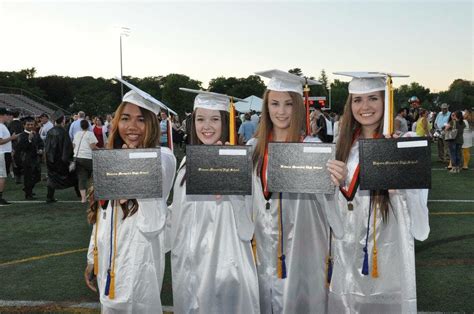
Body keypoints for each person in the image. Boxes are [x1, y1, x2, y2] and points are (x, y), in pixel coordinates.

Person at [329, 72, 430, 313]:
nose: (364, 107)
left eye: (373, 98)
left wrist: (403, 188)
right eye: (357, 99)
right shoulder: (340, 149)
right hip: (346, 254)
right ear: (349, 105)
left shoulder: (404, 144)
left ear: (385, 101)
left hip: (389, 254)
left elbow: (421, 229)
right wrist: (335, 186)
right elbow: (332, 219)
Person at [250, 69, 346, 313]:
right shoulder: (253, 150)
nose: (281, 111)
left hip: (304, 246)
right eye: (274, 104)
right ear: (266, 107)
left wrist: (335, 184)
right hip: (263, 247)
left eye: (288, 104)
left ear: (297, 108)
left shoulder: (313, 149)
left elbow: (332, 209)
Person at [84, 79, 176, 313]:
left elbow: (154, 222)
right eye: (125, 118)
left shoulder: (163, 157)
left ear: (153, 124)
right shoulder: (111, 158)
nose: (132, 126)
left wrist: (134, 169)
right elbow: (101, 217)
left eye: (141, 119)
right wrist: (92, 256)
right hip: (108, 262)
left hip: (139, 263)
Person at [168, 88, 259, 313]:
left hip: (225, 266)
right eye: (200, 119)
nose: (206, 126)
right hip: (189, 266)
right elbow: (177, 215)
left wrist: (232, 185)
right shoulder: (186, 163)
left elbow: (249, 226)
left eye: (214, 119)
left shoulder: (239, 161)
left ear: (225, 122)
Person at [44, 110, 80, 203]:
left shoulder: (50, 132)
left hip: (51, 159)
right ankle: (79, 194)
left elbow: (47, 147)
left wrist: (47, 159)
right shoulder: (63, 132)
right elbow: (66, 148)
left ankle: (49, 197)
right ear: (63, 120)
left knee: (52, 178)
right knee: (74, 176)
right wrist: (70, 160)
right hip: (61, 160)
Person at [15, 116, 44, 200]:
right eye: (28, 124)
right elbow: (22, 148)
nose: (30, 126)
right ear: (24, 125)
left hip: (36, 159)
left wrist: (41, 149)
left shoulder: (36, 134)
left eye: (32, 124)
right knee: (28, 177)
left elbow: (41, 143)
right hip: (27, 159)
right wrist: (29, 140)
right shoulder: (22, 136)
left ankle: (28, 189)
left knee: (37, 177)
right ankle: (28, 194)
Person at [73, 119, 98, 203]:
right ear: (88, 126)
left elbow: (73, 145)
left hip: (77, 157)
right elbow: (93, 147)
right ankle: (95, 194)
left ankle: (83, 198)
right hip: (87, 158)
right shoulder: (90, 134)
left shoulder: (77, 134)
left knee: (81, 178)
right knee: (96, 175)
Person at [0, 107, 18, 205]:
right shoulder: (0, 126)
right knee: (2, 176)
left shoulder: (2, 126)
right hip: (2, 153)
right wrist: (12, 138)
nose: (9, 116)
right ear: (2, 115)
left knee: (2, 175)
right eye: (7, 114)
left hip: (4, 152)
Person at [8, 110, 24, 184]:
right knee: (21, 160)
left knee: (14, 161)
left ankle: (16, 176)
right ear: (19, 115)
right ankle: (20, 176)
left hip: (12, 144)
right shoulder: (21, 124)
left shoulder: (10, 124)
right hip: (20, 144)